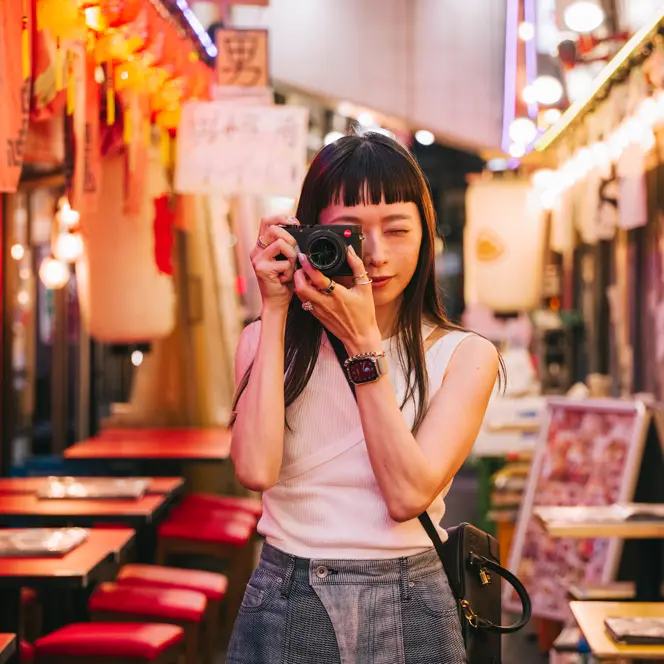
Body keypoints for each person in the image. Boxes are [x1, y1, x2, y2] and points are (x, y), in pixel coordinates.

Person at [228, 132, 501, 664]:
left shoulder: (465, 355)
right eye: (348, 233)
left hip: (413, 597)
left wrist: (362, 348)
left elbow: (406, 496)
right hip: (288, 588)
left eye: (397, 229)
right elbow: (256, 471)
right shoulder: (265, 339)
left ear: (426, 235)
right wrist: (276, 309)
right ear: (310, 236)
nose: (374, 255)